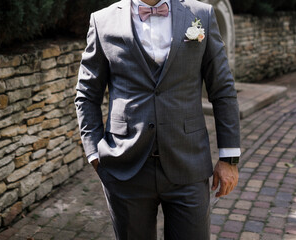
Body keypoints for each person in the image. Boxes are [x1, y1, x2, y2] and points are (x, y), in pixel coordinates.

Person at [75, 0, 240, 239]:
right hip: (125, 167)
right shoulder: (103, 20)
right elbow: (87, 94)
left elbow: (222, 89)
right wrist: (94, 153)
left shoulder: (201, 14)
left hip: (188, 164)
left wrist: (229, 157)